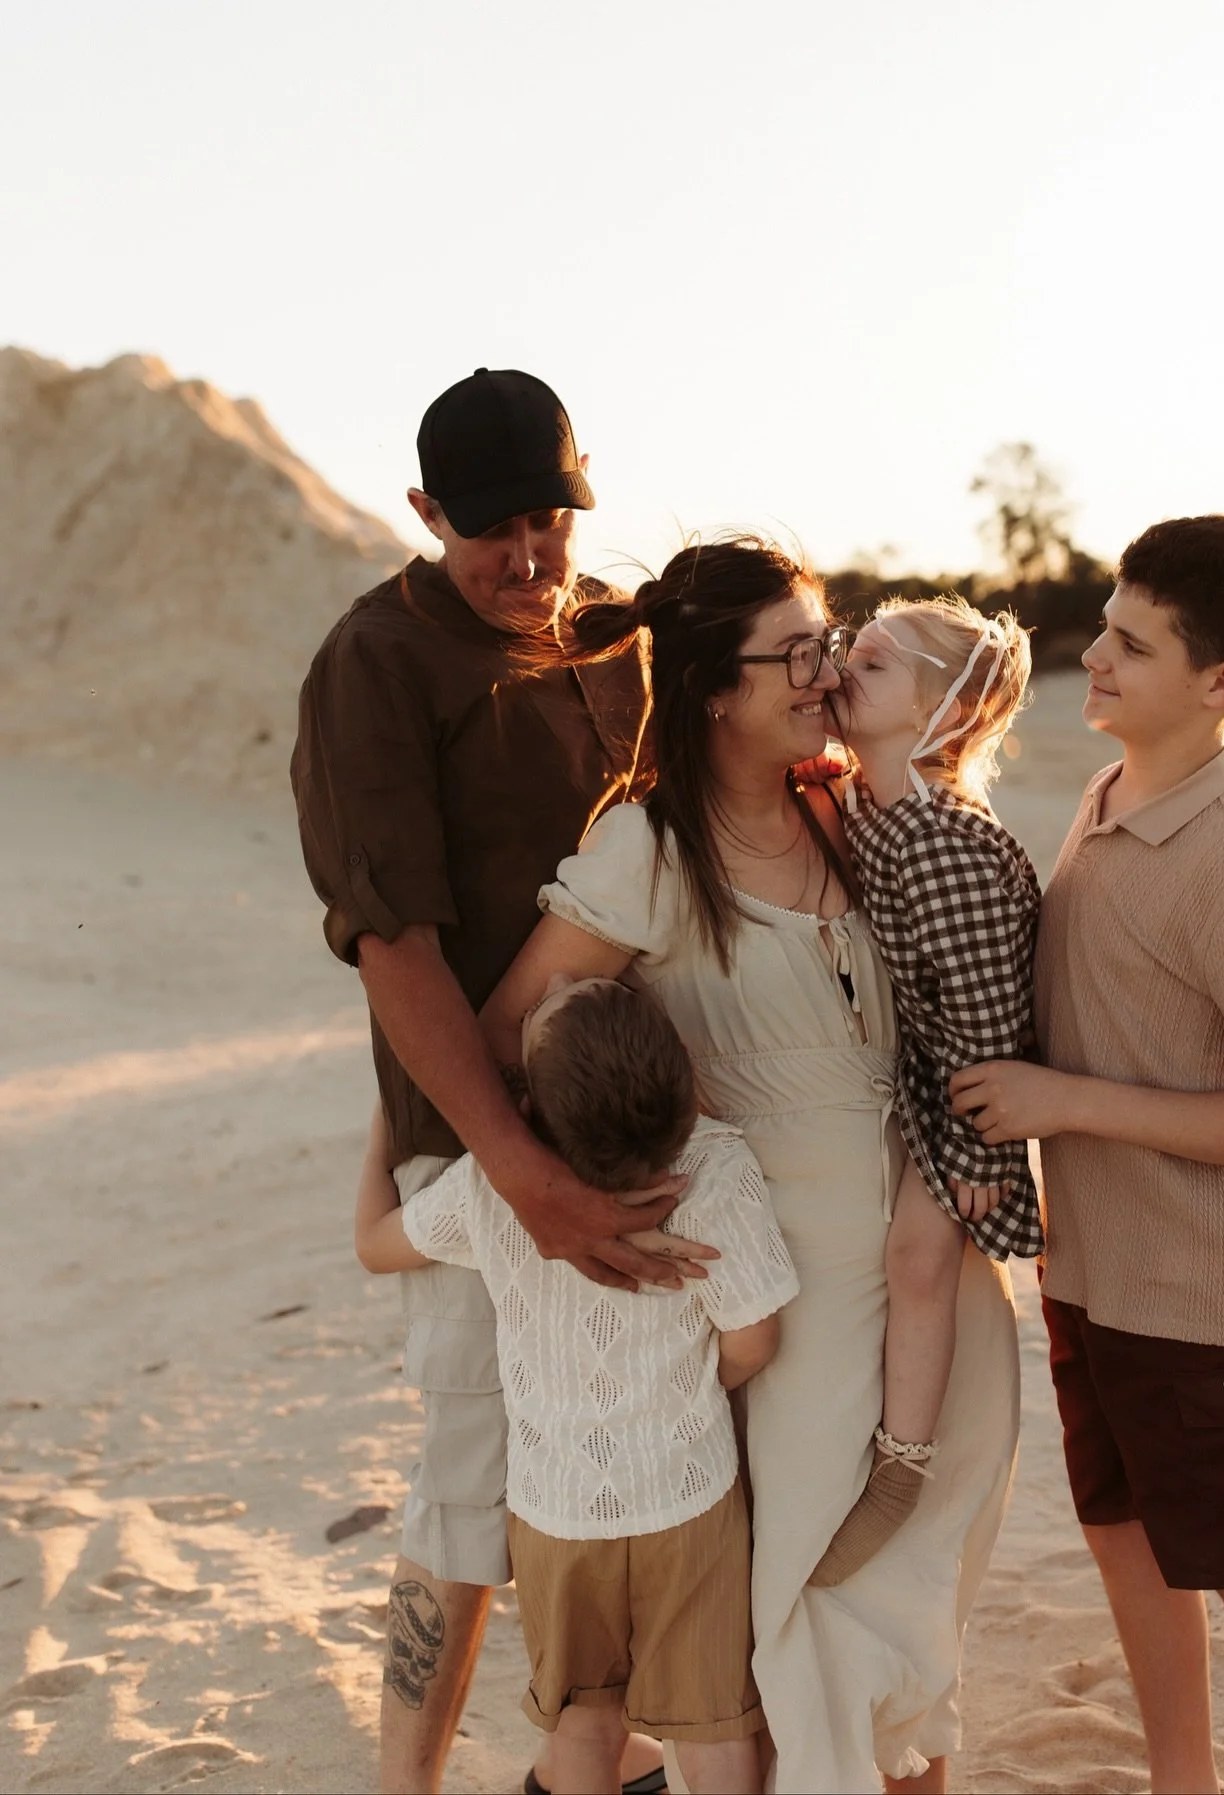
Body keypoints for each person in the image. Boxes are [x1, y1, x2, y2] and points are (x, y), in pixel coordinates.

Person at [481, 538, 1021, 1794]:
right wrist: (595, 1192)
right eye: (797, 653)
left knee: (909, 1636)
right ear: (717, 690)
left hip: (937, 1283)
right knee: (806, 1624)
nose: (827, 672)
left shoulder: (854, 817)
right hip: (793, 1313)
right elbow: (522, 1032)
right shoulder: (650, 856)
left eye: (830, 643)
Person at [291, 368, 687, 1795]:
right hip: (473, 1142)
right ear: (421, 513)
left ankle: (591, 1746)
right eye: (489, 530)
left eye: (549, 519)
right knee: (472, 1460)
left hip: (636, 1112)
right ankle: (407, 1779)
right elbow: (392, 945)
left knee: (627, 1440)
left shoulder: (613, 639)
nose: (527, 559)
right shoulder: (375, 663)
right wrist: (515, 1174)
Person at [951, 515, 1224, 1795]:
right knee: (1127, 1543)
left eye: (1132, 642)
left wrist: (1067, 1099)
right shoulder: (1107, 793)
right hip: (1096, 1279)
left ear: (1221, 682)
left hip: (1220, 1302)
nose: (1096, 657)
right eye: (1106, 625)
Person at [355, 973, 799, 1795]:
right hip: (688, 1502)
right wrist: (702, 1388)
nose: (557, 976)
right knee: (711, 1729)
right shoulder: (716, 1167)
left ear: (527, 1109)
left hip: (556, 1515)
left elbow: (375, 1243)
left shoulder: (498, 1187)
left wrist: (388, 1121)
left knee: (584, 1727)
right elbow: (756, 1335)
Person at [807, 597, 1043, 1588]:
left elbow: (991, 1018)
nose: (841, 669)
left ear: (943, 710)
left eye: (873, 662)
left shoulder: (940, 834)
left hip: (966, 1091)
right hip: (918, 1074)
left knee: (917, 1253)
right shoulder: (871, 801)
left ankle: (900, 1465)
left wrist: (984, 1151)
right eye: (846, 651)